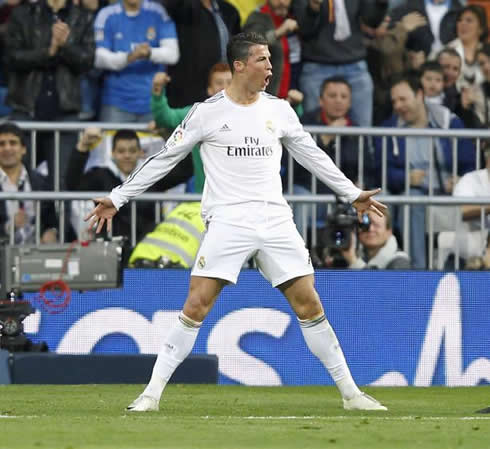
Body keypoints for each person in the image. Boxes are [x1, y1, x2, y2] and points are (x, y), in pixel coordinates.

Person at [85, 32, 388, 413]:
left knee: (309, 303)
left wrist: (350, 191)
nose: (270, 68)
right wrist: (117, 196)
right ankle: (151, 394)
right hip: (229, 221)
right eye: (262, 60)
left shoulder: (278, 110)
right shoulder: (207, 113)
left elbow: (311, 154)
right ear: (239, 65)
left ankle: (351, 395)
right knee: (196, 303)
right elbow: (164, 158)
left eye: (270, 60)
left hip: (276, 219)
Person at [374, 71, 476, 269]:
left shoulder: (449, 122)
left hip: (447, 195)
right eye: (394, 102)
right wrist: (406, 178)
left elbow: (469, 163)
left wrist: (461, 180)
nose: (398, 106)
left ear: (419, 95)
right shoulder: (389, 128)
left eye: (403, 99)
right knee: (412, 197)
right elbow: (380, 171)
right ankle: (417, 269)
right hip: (411, 194)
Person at [4, 0, 96, 189]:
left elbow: (87, 61)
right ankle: (16, 218)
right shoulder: (22, 14)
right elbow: (12, 57)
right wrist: (49, 51)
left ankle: (58, 220)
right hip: (26, 109)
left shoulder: (82, 17)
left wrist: (65, 45)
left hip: (65, 112)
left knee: (63, 184)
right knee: (16, 179)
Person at [66, 127, 191, 244]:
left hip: (146, 249)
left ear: (140, 152)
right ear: (112, 153)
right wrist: (83, 145)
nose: (127, 155)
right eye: (121, 151)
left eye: (132, 151)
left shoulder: (151, 176)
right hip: (110, 250)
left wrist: (168, 136)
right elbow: (72, 184)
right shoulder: (101, 176)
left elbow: (185, 171)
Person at [293, 0, 388, 126]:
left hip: (355, 66)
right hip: (316, 66)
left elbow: (371, 21)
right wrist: (313, 8)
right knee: (313, 131)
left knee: (363, 131)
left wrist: (381, 3)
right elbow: (304, 29)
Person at [151, 62, 232, 193]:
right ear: (209, 90)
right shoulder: (197, 114)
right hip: (205, 201)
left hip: (240, 200)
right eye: (219, 83)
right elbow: (165, 118)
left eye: (230, 82)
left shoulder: (251, 115)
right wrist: (158, 91)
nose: (224, 88)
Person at [94, 0, 179, 123]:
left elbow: (173, 55)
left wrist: (149, 53)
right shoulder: (106, 14)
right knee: (112, 142)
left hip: (152, 103)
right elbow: (99, 59)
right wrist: (130, 57)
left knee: (159, 143)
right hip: (116, 103)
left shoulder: (158, 12)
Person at [162, 0, 241, 107]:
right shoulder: (182, 7)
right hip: (188, 97)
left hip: (224, 95)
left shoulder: (229, 11)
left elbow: (238, 50)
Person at [0, 122, 58, 244]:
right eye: (2, 144)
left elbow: (51, 218)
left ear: (23, 149)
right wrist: (8, 227)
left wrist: (51, 232)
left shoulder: (41, 182)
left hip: (35, 255)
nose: (7, 148)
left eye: (13, 143)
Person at [243, 0, 301, 98]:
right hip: (267, 93)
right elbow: (251, 46)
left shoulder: (295, 15)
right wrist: (278, 33)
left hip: (293, 93)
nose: (282, 2)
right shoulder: (258, 17)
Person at [340, 209, 411, 269]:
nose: (370, 229)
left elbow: (378, 285)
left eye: (376, 225)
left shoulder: (400, 262)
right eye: (365, 225)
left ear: (389, 232)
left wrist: (354, 262)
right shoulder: (357, 255)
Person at [447, 5, 488, 89]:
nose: (463, 23)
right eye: (459, 20)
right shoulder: (446, 50)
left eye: (469, 20)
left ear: (481, 28)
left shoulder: (488, 52)